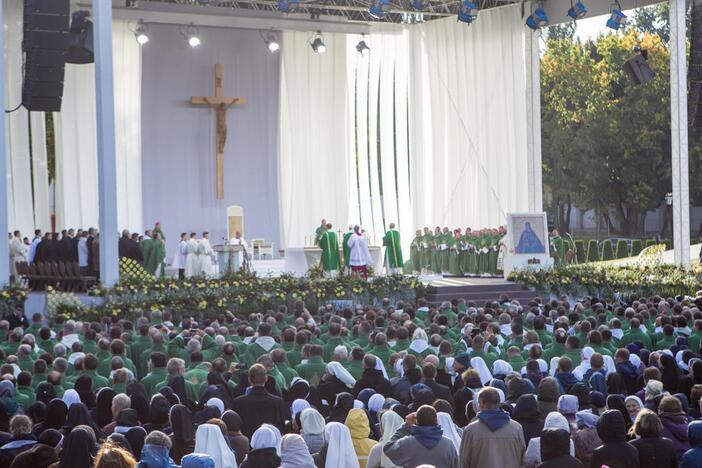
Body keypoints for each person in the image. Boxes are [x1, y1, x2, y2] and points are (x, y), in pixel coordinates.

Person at [459, 388, 525, 468]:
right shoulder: (516, 428)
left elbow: (464, 461)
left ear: (481, 404)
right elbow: (523, 460)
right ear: (499, 403)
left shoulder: (470, 430)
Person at [383, 405, 458, 468]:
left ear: (417, 421)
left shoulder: (406, 443)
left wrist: (406, 426)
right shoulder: (448, 444)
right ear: (436, 420)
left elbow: (388, 448)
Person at [231, 364, 285, 439]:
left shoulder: (239, 402)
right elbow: (281, 427)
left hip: (248, 446)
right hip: (271, 445)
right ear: (266, 378)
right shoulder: (277, 402)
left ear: (249, 379)